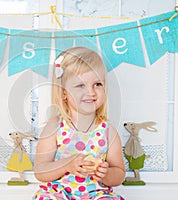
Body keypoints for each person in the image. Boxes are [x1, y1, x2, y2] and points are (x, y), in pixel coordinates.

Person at [33, 47, 125, 200]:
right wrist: (67, 165)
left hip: (95, 194)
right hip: (59, 193)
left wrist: (106, 174)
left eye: (97, 84)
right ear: (64, 93)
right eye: (80, 85)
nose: (91, 92)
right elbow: (40, 171)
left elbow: (119, 174)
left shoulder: (108, 132)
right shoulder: (54, 127)